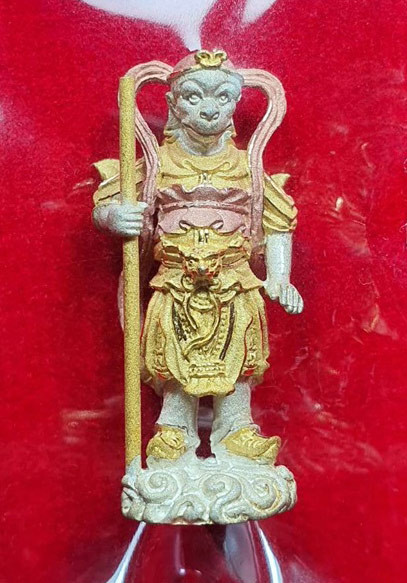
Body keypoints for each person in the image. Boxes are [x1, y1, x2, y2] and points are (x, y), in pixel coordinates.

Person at [92, 50, 303, 465]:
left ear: (236, 103)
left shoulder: (246, 167)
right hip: (175, 281)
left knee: (240, 352)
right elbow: (105, 206)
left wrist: (280, 276)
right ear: (172, 103)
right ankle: (174, 429)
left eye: (222, 97)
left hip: (235, 280)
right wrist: (114, 216)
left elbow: (279, 220)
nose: (209, 109)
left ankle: (236, 429)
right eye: (193, 96)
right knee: (173, 351)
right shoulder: (158, 164)